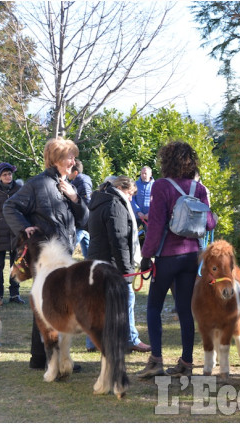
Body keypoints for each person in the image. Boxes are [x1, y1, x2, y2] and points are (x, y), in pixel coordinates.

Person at [3, 137, 89, 370]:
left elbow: (84, 220)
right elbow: (10, 206)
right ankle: (53, 358)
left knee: (46, 305)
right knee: (52, 305)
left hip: (64, 255)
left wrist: (74, 197)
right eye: (70, 156)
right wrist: (24, 227)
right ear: (57, 159)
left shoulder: (68, 185)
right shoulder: (38, 184)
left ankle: (40, 358)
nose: (74, 160)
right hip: (45, 255)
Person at [137, 141, 217, 378]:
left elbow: (156, 225)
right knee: (185, 310)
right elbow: (210, 223)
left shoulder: (161, 186)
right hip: (192, 256)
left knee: (153, 307)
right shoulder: (198, 189)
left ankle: (156, 361)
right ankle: (187, 363)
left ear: (166, 161)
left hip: (167, 257)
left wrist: (145, 256)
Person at [86, 176, 151, 353]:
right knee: (128, 298)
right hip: (110, 263)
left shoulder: (98, 201)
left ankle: (92, 341)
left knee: (97, 302)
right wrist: (127, 272)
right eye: (130, 194)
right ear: (121, 188)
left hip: (95, 261)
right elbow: (119, 240)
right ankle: (131, 339)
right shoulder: (115, 204)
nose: (130, 199)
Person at [0, 162, 25, 304]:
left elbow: (25, 210)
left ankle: (15, 294)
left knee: (16, 265)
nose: (8, 176)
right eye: (5, 174)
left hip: (16, 232)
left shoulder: (19, 189)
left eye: (9, 174)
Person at [69, 159, 92, 258]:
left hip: (82, 218)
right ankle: (89, 260)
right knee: (85, 240)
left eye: (70, 171)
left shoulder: (82, 182)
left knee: (72, 243)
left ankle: (64, 255)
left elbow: (87, 201)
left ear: (75, 172)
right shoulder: (78, 181)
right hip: (82, 218)